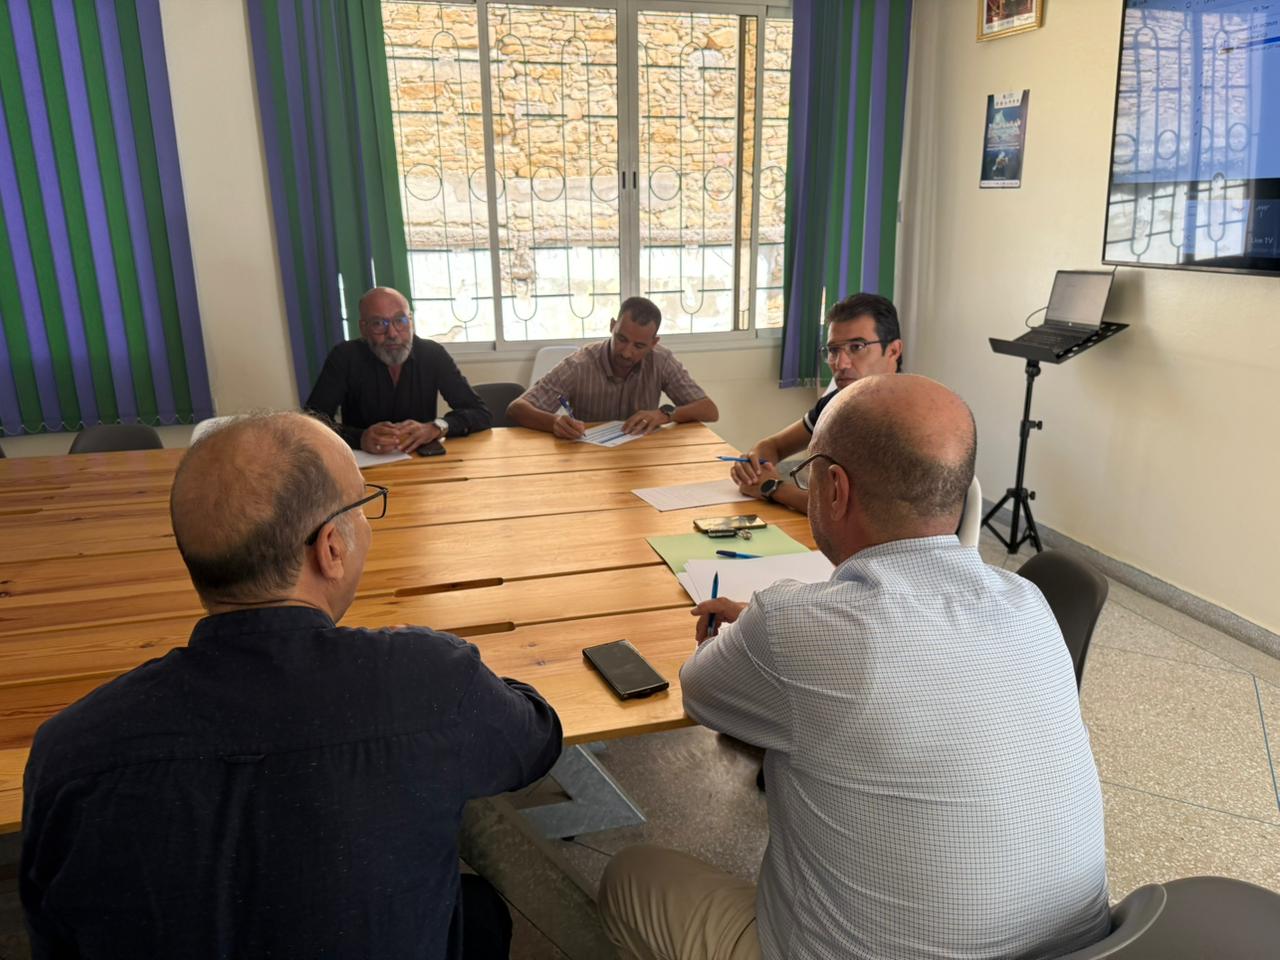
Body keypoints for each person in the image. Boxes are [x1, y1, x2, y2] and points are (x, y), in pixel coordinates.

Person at [599, 375, 1110, 960]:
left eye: (810, 471)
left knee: (629, 876)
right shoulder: (1027, 602)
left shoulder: (795, 623)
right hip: (1080, 950)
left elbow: (700, 692)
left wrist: (747, 638)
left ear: (835, 488)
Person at [21, 412, 563, 959]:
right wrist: (429, 660)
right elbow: (537, 740)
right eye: (362, 505)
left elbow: (53, 932)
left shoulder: (68, 752)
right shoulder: (431, 679)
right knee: (480, 913)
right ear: (331, 548)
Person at [730, 292, 902, 513]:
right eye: (833, 350)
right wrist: (753, 468)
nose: (840, 363)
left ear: (893, 350)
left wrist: (772, 488)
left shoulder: (907, 418)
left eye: (857, 347)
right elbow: (774, 446)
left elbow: (858, 514)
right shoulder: (837, 402)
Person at [306, 286, 491, 455]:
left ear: (411, 321)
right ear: (363, 328)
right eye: (379, 323)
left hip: (422, 464)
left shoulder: (433, 354)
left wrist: (437, 427)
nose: (392, 334)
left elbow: (480, 413)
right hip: (364, 464)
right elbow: (310, 424)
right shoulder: (344, 357)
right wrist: (359, 438)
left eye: (400, 320)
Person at [506, 296, 719, 439]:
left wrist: (665, 414)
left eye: (639, 346)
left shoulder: (661, 360)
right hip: (590, 459)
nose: (627, 352)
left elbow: (709, 410)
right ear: (612, 326)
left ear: (654, 343)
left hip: (643, 459)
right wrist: (554, 422)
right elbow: (517, 409)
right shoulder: (579, 364)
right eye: (621, 339)